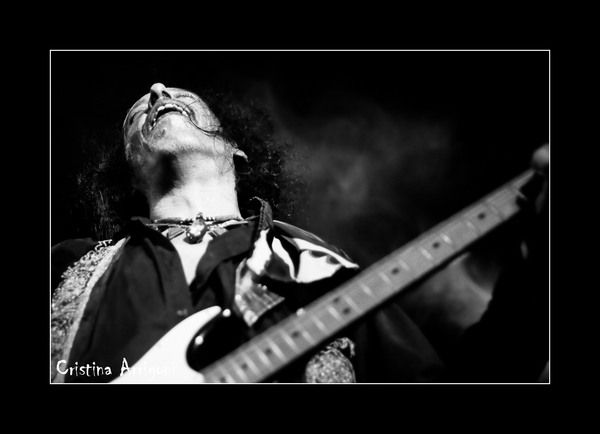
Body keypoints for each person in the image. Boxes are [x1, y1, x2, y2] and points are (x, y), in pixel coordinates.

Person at [51, 83, 549, 383]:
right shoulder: (69, 265)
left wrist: (535, 269)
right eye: (137, 113)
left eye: (184, 98)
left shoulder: (321, 271)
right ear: (128, 173)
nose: (159, 90)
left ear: (235, 151)